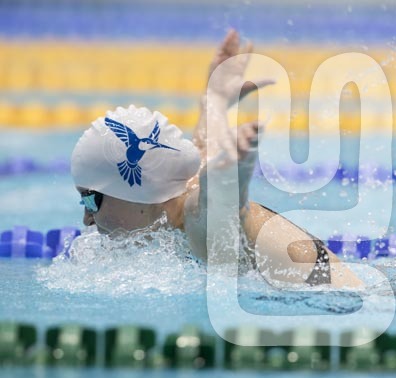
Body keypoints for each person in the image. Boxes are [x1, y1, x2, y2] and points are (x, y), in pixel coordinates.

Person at [70, 30, 363, 289]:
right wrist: (216, 99)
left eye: (91, 200)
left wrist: (230, 175)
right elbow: (203, 148)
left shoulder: (198, 222)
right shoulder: (176, 194)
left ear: (137, 191)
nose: (87, 218)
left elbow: (216, 204)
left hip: (349, 305)